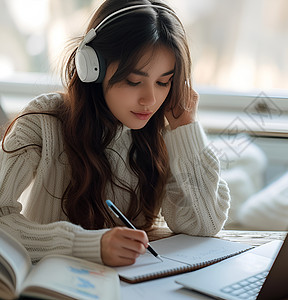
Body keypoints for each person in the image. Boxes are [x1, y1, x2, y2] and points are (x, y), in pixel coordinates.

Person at [0, 0, 230, 267]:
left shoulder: (164, 132)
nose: (150, 99)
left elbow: (206, 224)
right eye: (134, 81)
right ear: (92, 67)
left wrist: (185, 128)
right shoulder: (44, 119)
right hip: (52, 282)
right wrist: (85, 244)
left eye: (163, 82)